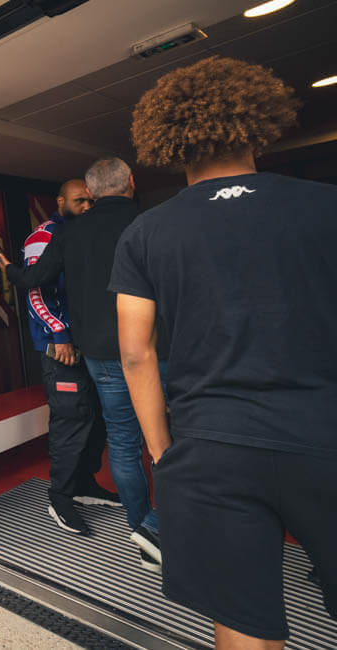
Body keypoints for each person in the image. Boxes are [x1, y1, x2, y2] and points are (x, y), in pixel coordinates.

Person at [114, 56, 336, 648]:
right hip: (324, 432)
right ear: (255, 126)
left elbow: (135, 353)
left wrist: (162, 452)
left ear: (170, 140)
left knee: (244, 626)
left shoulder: (145, 234)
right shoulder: (326, 205)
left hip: (210, 446)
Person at [0, 158, 166, 573]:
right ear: (131, 182)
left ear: (91, 193)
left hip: (99, 354)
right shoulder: (152, 223)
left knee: (122, 442)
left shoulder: (71, 232)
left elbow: (32, 279)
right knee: (165, 440)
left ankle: (141, 529)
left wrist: (9, 270)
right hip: (152, 350)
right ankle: (161, 525)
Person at [21, 179, 117, 537]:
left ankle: (84, 484)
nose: (86, 207)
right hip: (60, 350)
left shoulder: (83, 234)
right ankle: (60, 497)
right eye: (79, 201)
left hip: (90, 346)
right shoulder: (43, 236)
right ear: (60, 201)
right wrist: (59, 333)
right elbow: (34, 290)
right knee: (71, 421)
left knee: (96, 418)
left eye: (91, 202)